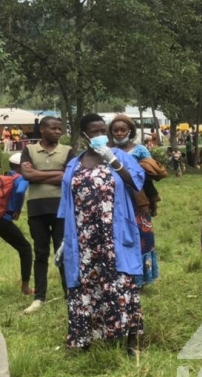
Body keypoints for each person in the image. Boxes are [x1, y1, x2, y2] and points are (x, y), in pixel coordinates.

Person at [57, 113, 145, 354]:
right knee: (85, 285)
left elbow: (136, 183)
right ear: (84, 135)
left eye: (101, 131)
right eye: (93, 132)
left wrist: (113, 160)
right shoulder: (74, 164)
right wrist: (65, 241)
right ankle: (84, 341)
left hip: (114, 234)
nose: (99, 136)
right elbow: (67, 203)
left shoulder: (122, 156)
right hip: (83, 238)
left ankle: (130, 342)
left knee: (120, 282)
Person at [20, 116, 75, 314]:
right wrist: (56, 174)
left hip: (62, 208)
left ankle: (70, 295)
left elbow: (68, 176)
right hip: (37, 209)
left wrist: (38, 174)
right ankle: (39, 298)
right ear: (42, 129)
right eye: (54, 128)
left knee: (64, 252)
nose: (58, 131)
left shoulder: (68, 151)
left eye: (60, 128)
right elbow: (27, 175)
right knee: (41, 253)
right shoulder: (29, 150)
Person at [108, 114, 161, 287]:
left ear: (130, 131)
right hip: (113, 200)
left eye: (123, 129)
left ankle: (141, 279)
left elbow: (149, 177)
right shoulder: (105, 151)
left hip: (138, 201)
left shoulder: (140, 150)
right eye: (116, 130)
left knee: (142, 236)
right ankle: (120, 277)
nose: (119, 133)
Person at [2, 153, 33, 296]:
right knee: (25, 248)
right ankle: (25, 287)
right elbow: (20, 191)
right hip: (4, 219)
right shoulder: (21, 177)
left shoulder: (5, 176)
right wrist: (18, 209)